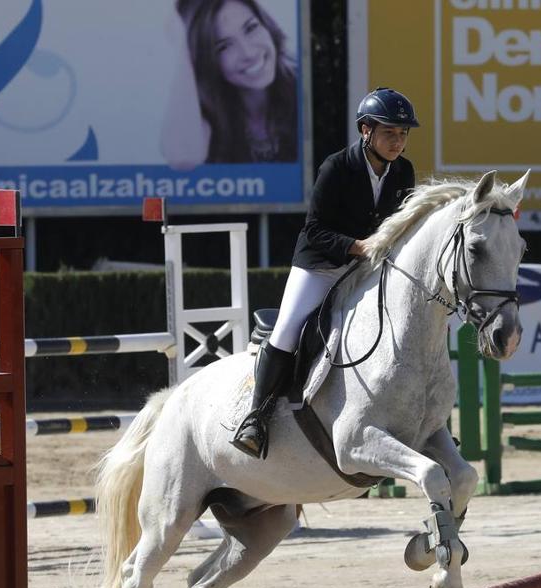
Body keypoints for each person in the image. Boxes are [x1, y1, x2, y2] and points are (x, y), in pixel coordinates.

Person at [231, 87, 419, 458]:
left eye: (402, 134)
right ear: (366, 131)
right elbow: (314, 228)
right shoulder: (336, 167)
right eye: (389, 133)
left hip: (366, 267)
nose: (398, 142)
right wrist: (357, 246)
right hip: (320, 264)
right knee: (288, 330)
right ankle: (256, 417)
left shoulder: (404, 171)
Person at [162, 0, 299, 168]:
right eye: (224, 46)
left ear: (266, 25)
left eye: (251, 28)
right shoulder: (203, 115)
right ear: (206, 61)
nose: (248, 53)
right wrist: (183, 45)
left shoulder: (303, 90)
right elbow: (181, 159)